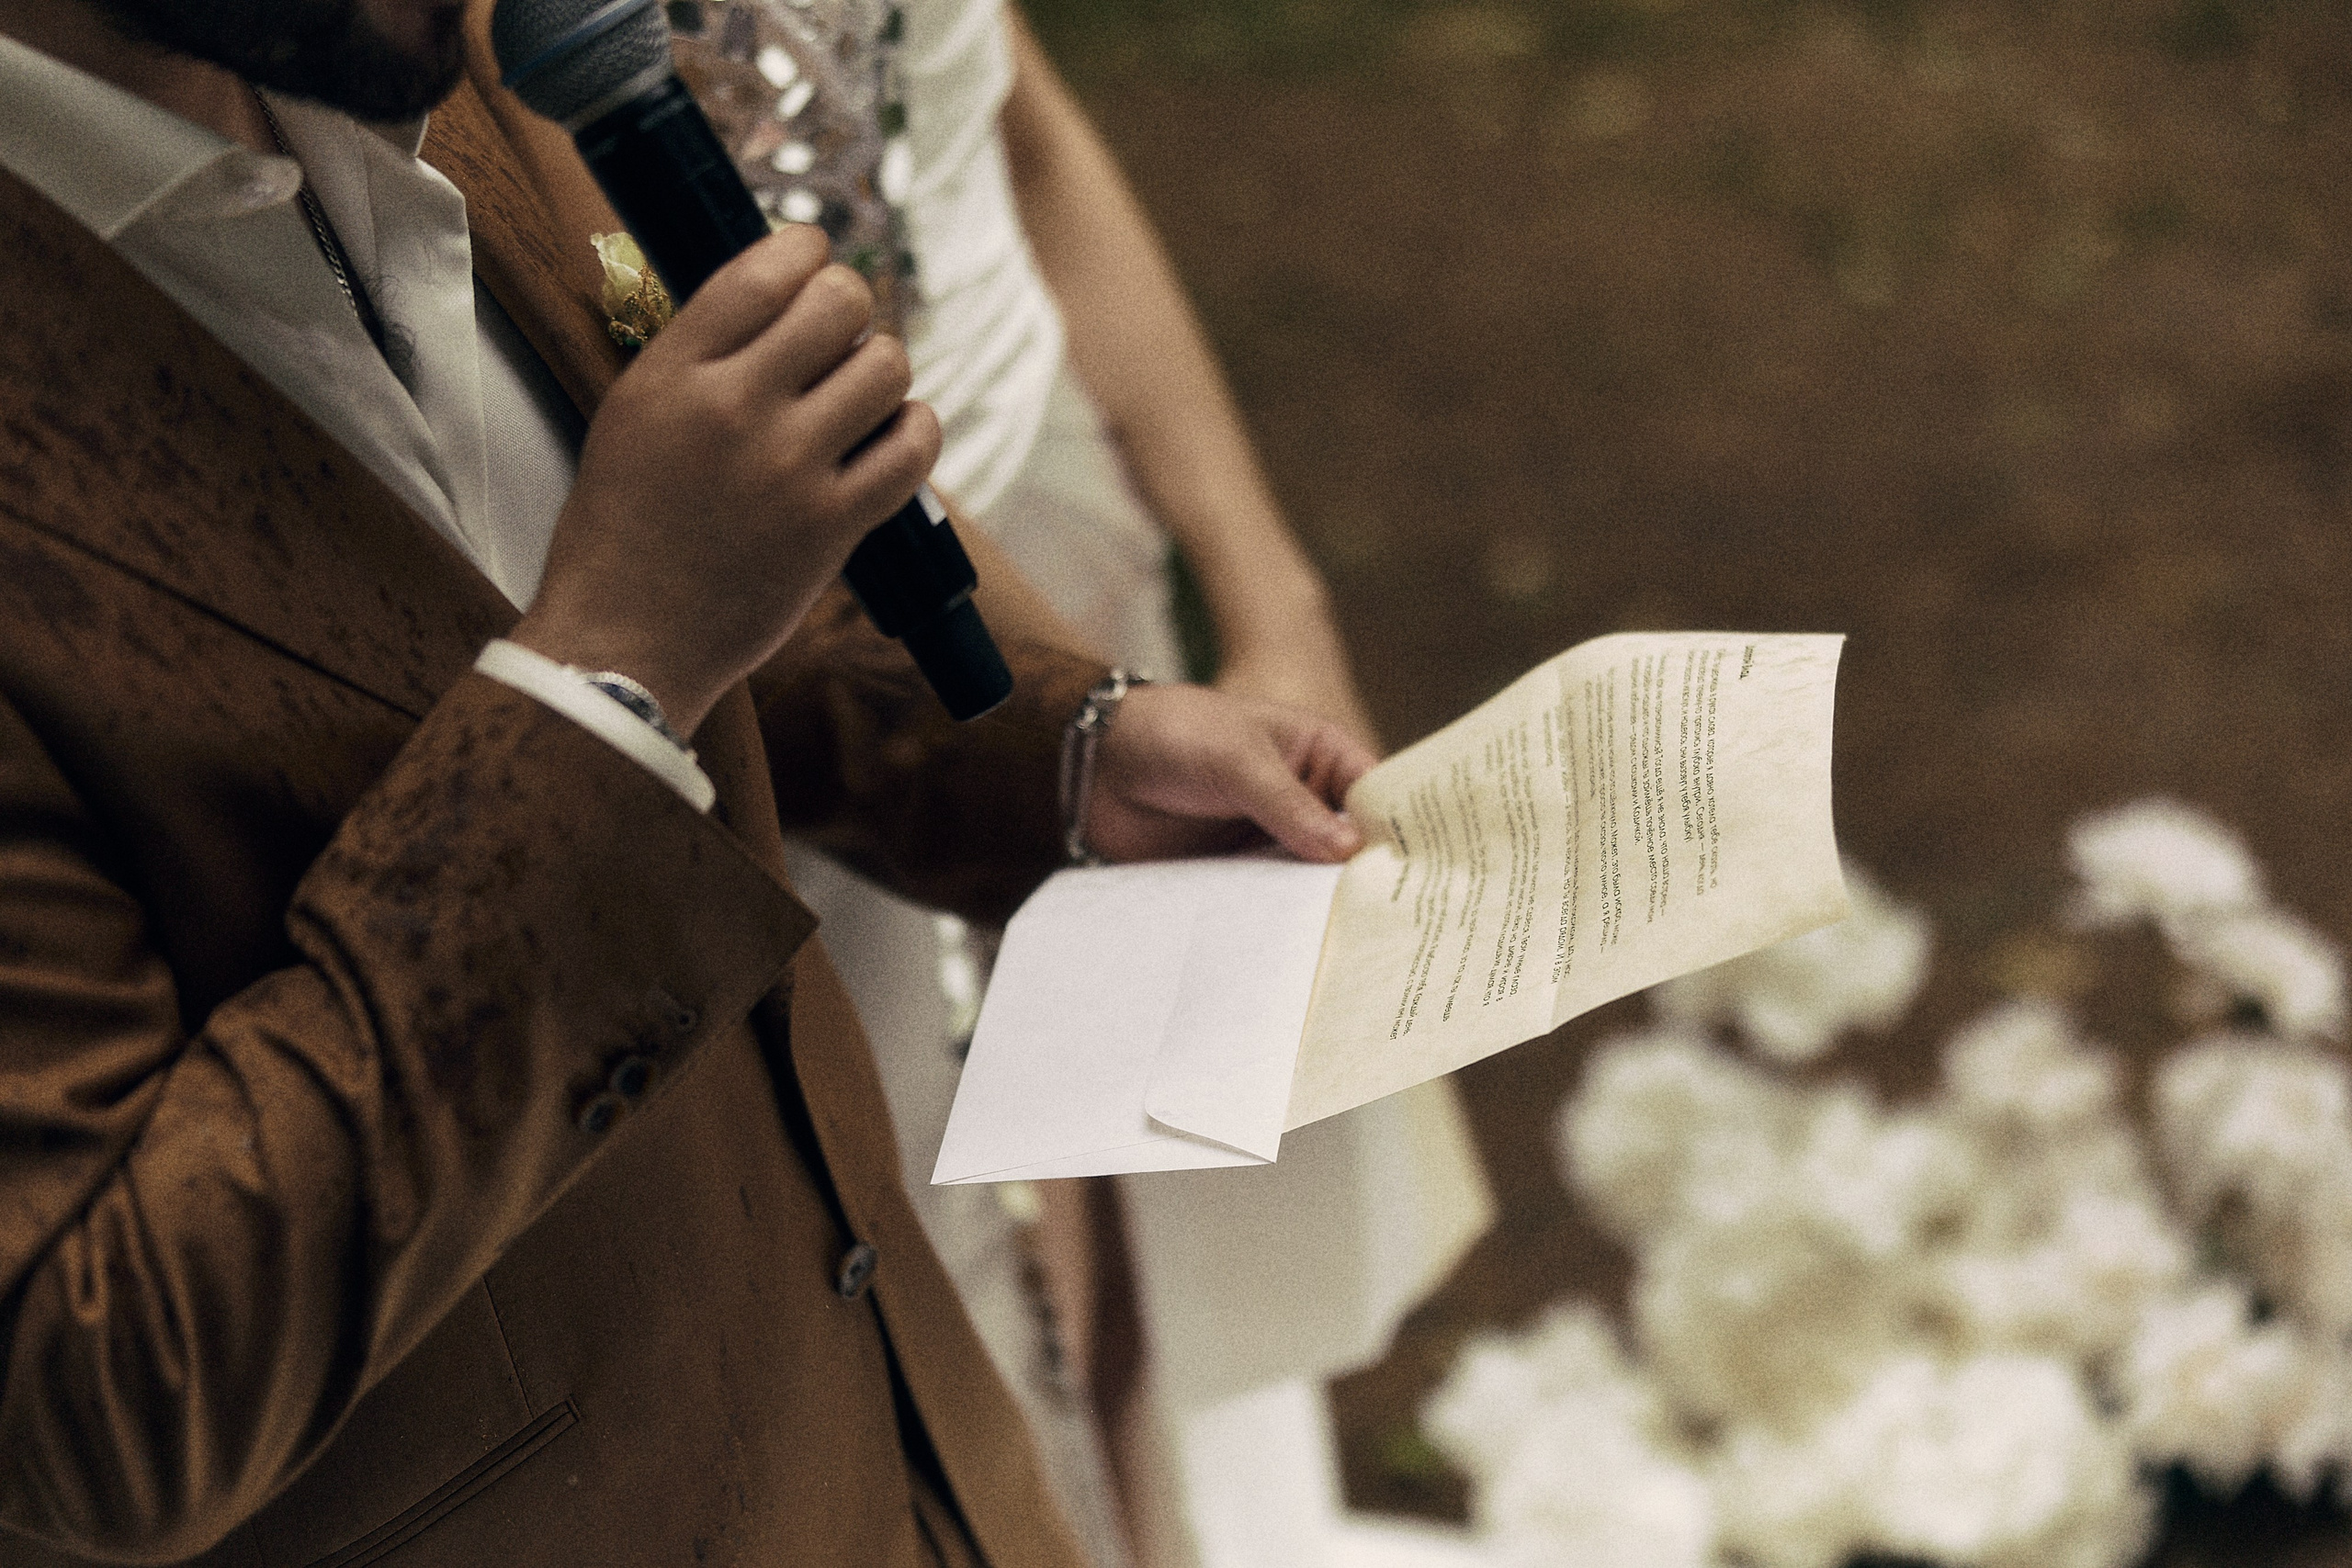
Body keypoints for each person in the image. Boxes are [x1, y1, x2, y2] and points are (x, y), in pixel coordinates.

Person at [0, 1, 1379, 1564]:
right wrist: (613, 671)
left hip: (897, 1461)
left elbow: (658, 565)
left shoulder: (394, 57)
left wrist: (1060, 750)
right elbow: (92, 1384)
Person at [756, 4, 1499, 1565]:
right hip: (824, 670)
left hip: (1076, 561)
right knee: (941, 1300)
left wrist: (1275, 600)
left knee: (1137, 1234)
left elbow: (1017, 124)